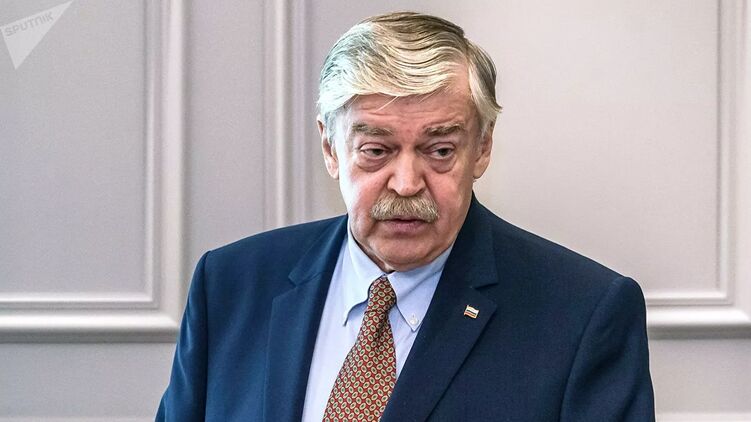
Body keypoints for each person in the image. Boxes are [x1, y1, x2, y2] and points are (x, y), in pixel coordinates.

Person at [157, 11, 655, 421]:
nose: (406, 183)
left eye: (440, 151)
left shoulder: (583, 314)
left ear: (482, 149)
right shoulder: (231, 285)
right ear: (331, 148)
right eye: (376, 151)